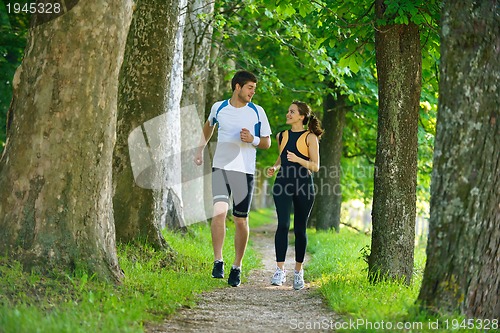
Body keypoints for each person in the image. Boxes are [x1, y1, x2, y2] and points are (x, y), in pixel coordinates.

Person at [194, 70, 271, 287]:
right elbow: (209, 125)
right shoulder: (219, 107)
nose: (252, 93)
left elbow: (266, 142)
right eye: (250, 88)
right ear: (237, 87)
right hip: (221, 168)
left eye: (254, 89)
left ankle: (236, 266)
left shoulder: (257, 112)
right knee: (218, 213)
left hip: (244, 171)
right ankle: (218, 261)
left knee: (240, 220)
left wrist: (253, 139)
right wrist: (200, 149)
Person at [267, 101, 323, 290]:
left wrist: (299, 159)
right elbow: (281, 159)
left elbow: (315, 166)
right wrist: (274, 167)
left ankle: (298, 272)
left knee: (300, 229)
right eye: (288, 111)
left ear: (301, 116)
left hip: (303, 186)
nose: (288, 114)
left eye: (292, 112)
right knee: (282, 225)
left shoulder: (310, 138)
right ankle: (280, 270)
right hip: (282, 184)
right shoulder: (281, 135)